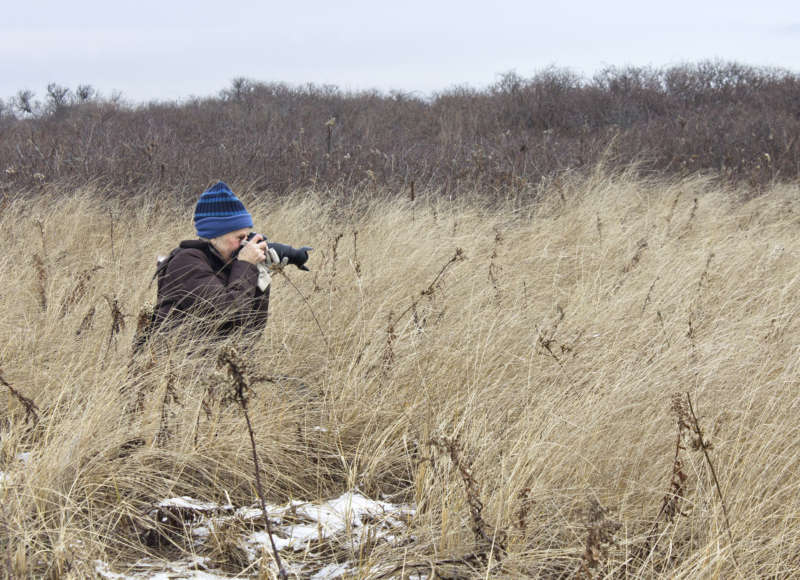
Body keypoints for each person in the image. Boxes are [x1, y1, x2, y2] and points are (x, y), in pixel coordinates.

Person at [151, 181, 283, 342]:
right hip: (175, 364)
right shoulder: (185, 262)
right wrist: (246, 265)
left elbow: (251, 331)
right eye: (240, 238)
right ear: (214, 236)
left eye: (247, 237)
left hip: (218, 363)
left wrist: (261, 276)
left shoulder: (227, 265)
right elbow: (228, 314)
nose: (245, 244)